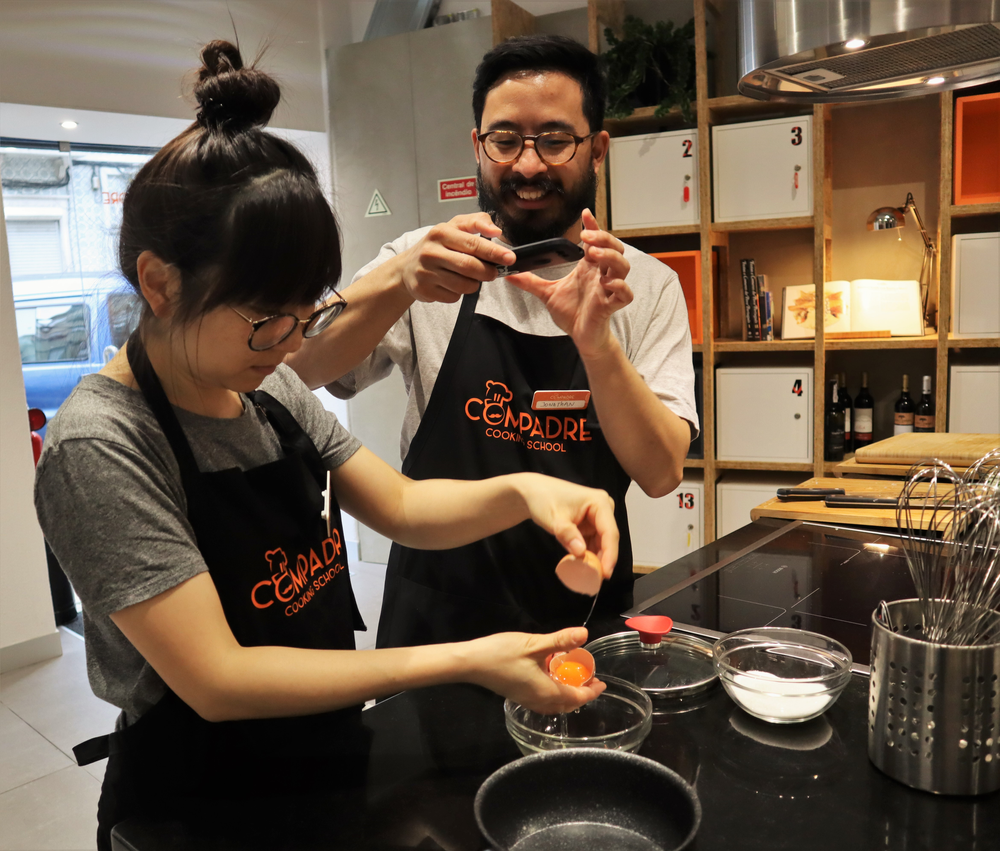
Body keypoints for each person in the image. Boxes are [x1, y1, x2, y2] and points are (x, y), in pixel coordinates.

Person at [32, 41, 618, 851]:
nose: (290, 342)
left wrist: (530, 489)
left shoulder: (262, 383)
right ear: (159, 283)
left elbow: (403, 505)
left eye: (303, 314)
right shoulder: (100, 443)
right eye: (265, 318)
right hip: (194, 798)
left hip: (326, 755)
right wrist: (463, 658)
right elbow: (220, 679)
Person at [288, 35, 698, 648]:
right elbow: (298, 370)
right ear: (477, 146)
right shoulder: (417, 260)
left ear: (598, 149)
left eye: (555, 140)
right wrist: (398, 284)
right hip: (435, 616)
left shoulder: (645, 284)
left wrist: (597, 344)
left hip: (580, 616)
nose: (528, 166)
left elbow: (662, 471)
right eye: (505, 140)